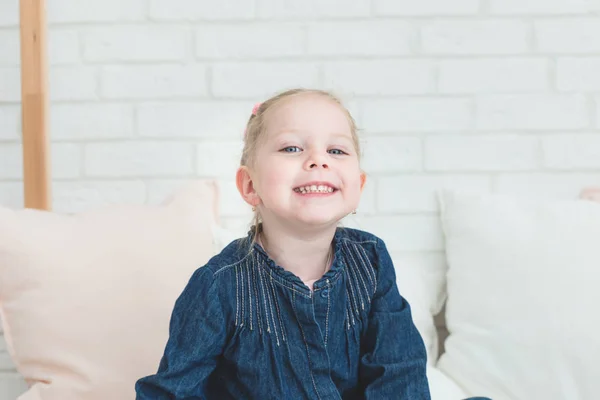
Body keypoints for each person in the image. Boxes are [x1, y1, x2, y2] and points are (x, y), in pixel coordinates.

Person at [135, 88, 431, 399]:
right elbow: (173, 392)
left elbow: (398, 370)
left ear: (359, 184)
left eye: (337, 151)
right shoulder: (219, 285)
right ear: (250, 185)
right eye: (291, 148)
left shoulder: (371, 260)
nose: (319, 160)